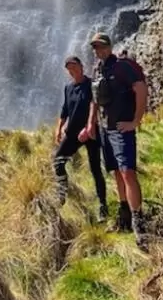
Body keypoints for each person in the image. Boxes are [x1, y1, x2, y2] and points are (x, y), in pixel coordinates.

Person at [85, 32, 148, 246]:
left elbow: (141, 88)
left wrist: (136, 120)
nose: (98, 50)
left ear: (110, 46)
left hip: (121, 128)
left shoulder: (123, 66)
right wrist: (90, 123)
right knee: (115, 172)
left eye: (102, 46)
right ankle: (124, 213)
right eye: (95, 47)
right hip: (104, 128)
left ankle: (139, 220)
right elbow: (94, 100)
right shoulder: (97, 69)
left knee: (127, 172)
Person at [53, 56, 108, 220]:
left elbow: (95, 105)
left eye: (75, 66)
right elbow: (65, 110)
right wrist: (58, 128)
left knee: (95, 169)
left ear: (82, 67)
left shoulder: (91, 85)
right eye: (69, 68)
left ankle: (103, 205)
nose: (72, 70)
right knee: (58, 161)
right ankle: (62, 195)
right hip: (72, 133)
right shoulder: (68, 88)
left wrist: (89, 127)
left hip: (90, 132)